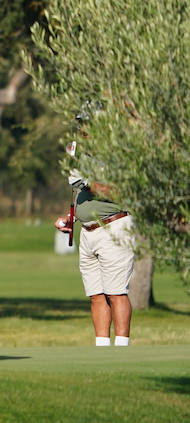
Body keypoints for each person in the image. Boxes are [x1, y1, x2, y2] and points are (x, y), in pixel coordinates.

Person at [55, 144, 135, 347]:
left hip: (114, 227)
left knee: (116, 293)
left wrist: (88, 183)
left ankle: (122, 349)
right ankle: (101, 350)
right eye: (81, 125)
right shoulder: (85, 158)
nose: (83, 131)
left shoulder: (118, 152)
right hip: (88, 233)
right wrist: (70, 218)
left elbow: (121, 191)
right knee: (96, 295)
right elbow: (86, 199)